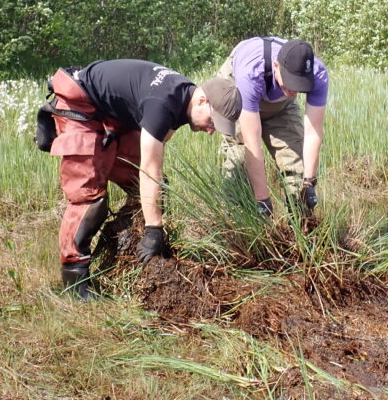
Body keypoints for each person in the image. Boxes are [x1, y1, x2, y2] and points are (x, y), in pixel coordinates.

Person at [48, 59, 242, 299]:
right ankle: (74, 282)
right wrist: (154, 231)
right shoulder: (162, 103)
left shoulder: (184, 97)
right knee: (89, 200)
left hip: (108, 114)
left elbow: (154, 161)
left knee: (151, 191)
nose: (211, 130)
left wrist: (153, 218)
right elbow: (150, 169)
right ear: (203, 100)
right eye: (213, 122)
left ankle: (122, 248)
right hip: (80, 104)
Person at [211, 37, 328, 217]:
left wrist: (309, 182)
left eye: (299, 86)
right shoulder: (251, 73)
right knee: (239, 159)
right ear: (276, 66)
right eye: (290, 82)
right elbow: (252, 143)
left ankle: (301, 224)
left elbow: (313, 131)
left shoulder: (318, 75)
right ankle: (237, 223)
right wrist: (262, 200)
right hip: (237, 90)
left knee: (296, 160)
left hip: (280, 104)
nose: (294, 90)